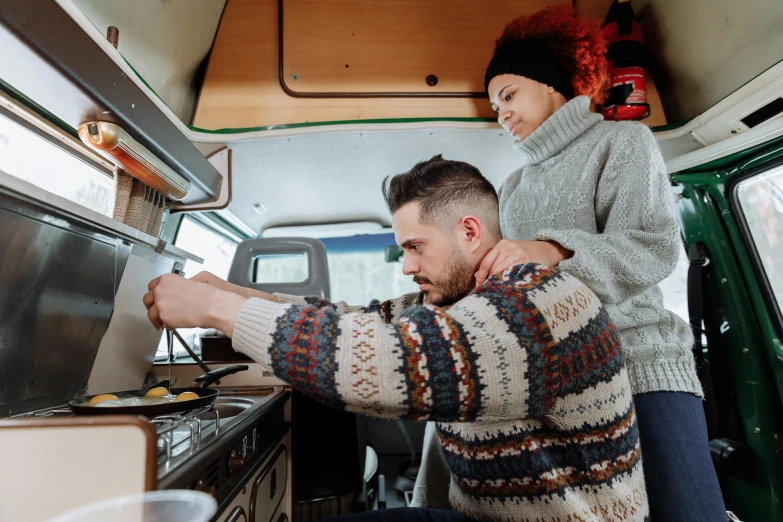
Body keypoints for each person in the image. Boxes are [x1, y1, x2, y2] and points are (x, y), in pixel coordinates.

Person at [144, 156, 649, 522]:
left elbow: (383, 363)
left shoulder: (536, 302)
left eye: (415, 247)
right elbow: (356, 319)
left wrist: (214, 310)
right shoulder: (462, 301)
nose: (406, 266)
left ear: (470, 232)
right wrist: (229, 292)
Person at [467, 5, 725, 521]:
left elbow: (653, 247)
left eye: (509, 95)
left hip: (642, 365)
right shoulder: (513, 188)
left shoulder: (622, 141)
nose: (502, 114)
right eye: (495, 106)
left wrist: (552, 251)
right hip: (561, 385)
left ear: (553, 85)